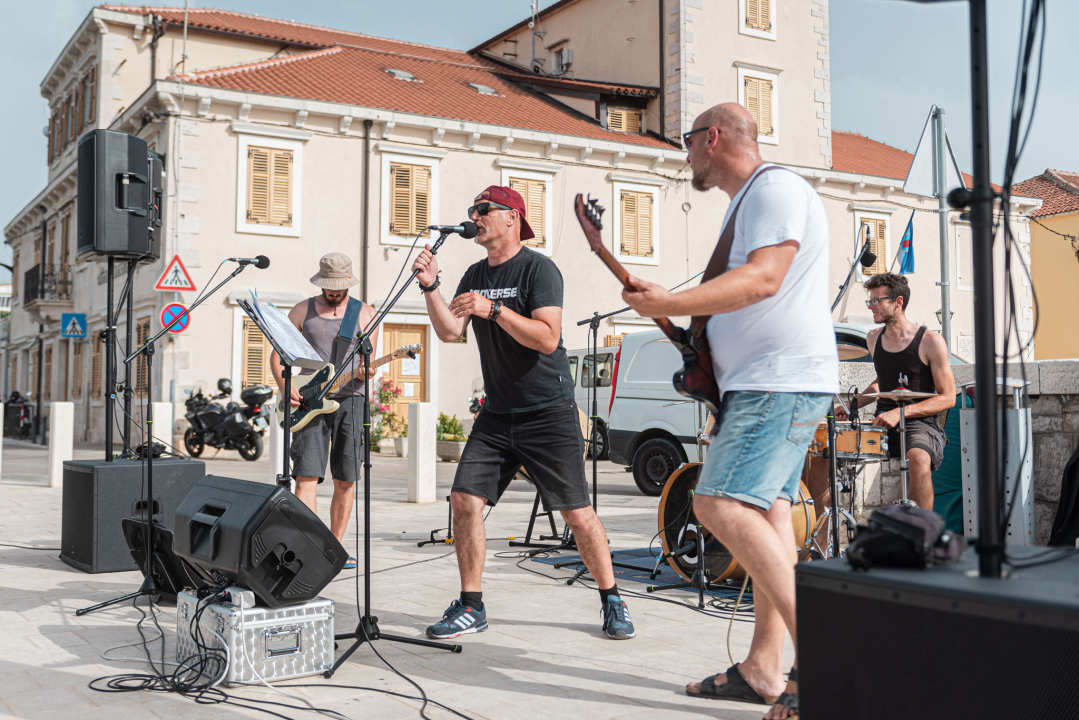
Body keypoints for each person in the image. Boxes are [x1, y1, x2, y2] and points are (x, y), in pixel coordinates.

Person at [621, 103, 838, 720]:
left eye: (688, 141)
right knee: (768, 513)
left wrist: (671, 301)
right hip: (762, 383)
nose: (685, 153)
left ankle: (823, 656)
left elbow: (765, 278)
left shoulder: (774, 189)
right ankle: (763, 666)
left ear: (712, 138)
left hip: (779, 381)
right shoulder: (749, 202)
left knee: (717, 503)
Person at [411, 185, 635, 641]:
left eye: (483, 209)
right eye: (472, 209)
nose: (474, 216)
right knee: (464, 501)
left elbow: (548, 338)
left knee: (577, 514)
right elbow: (451, 331)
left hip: (547, 411)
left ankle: (612, 598)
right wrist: (432, 287)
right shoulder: (474, 273)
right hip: (497, 414)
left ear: (512, 217)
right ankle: (471, 605)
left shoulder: (539, 269)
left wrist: (493, 309)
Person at [271, 253, 379, 570]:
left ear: (348, 282)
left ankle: (335, 548)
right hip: (308, 402)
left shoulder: (366, 314)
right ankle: (312, 548)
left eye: (338, 286)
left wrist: (368, 372)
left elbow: (370, 360)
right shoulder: (301, 311)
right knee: (305, 476)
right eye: (328, 286)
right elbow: (277, 356)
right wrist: (284, 386)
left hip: (351, 400)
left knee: (345, 479)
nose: (333, 291)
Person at [829, 273, 955, 510]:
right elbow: (882, 381)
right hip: (881, 422)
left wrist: (900, 413)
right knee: (827, 449)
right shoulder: (873, 338)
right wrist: (851, 406)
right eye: (870, 301)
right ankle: (822, 529)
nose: (871, 306)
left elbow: (948, 397)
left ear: (898, 302)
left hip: (920, 424)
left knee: (919, 459)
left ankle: (920, 530)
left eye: (877, 300)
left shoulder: (930, 341)